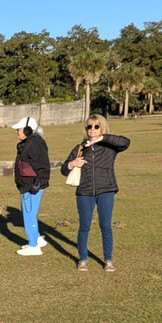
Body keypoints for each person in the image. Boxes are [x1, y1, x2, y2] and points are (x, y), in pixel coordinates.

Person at [61, 114, 130, 271]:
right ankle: (83, 259)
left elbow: (125, 142)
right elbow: (64, 170)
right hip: (84, 191)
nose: (92, 129)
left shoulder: (109, 146)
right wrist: (72, 163)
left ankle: (108, 260)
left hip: (106, 189)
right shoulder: (79, 148)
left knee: (105, 225)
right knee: (84, 226)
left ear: (102, 127)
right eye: (89, 126)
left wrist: (102, 138)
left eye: (96, 126)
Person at [11, 116, 51, 256]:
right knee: (28, 213)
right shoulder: (29, 142)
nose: (17, 132)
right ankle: (38, 238)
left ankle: (33, 245)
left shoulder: (34, 144)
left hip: (31, 185)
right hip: (28, 184)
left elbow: (42, 165)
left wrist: (39, 182)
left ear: (28, 130)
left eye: (19, 129)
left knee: (29, 214)